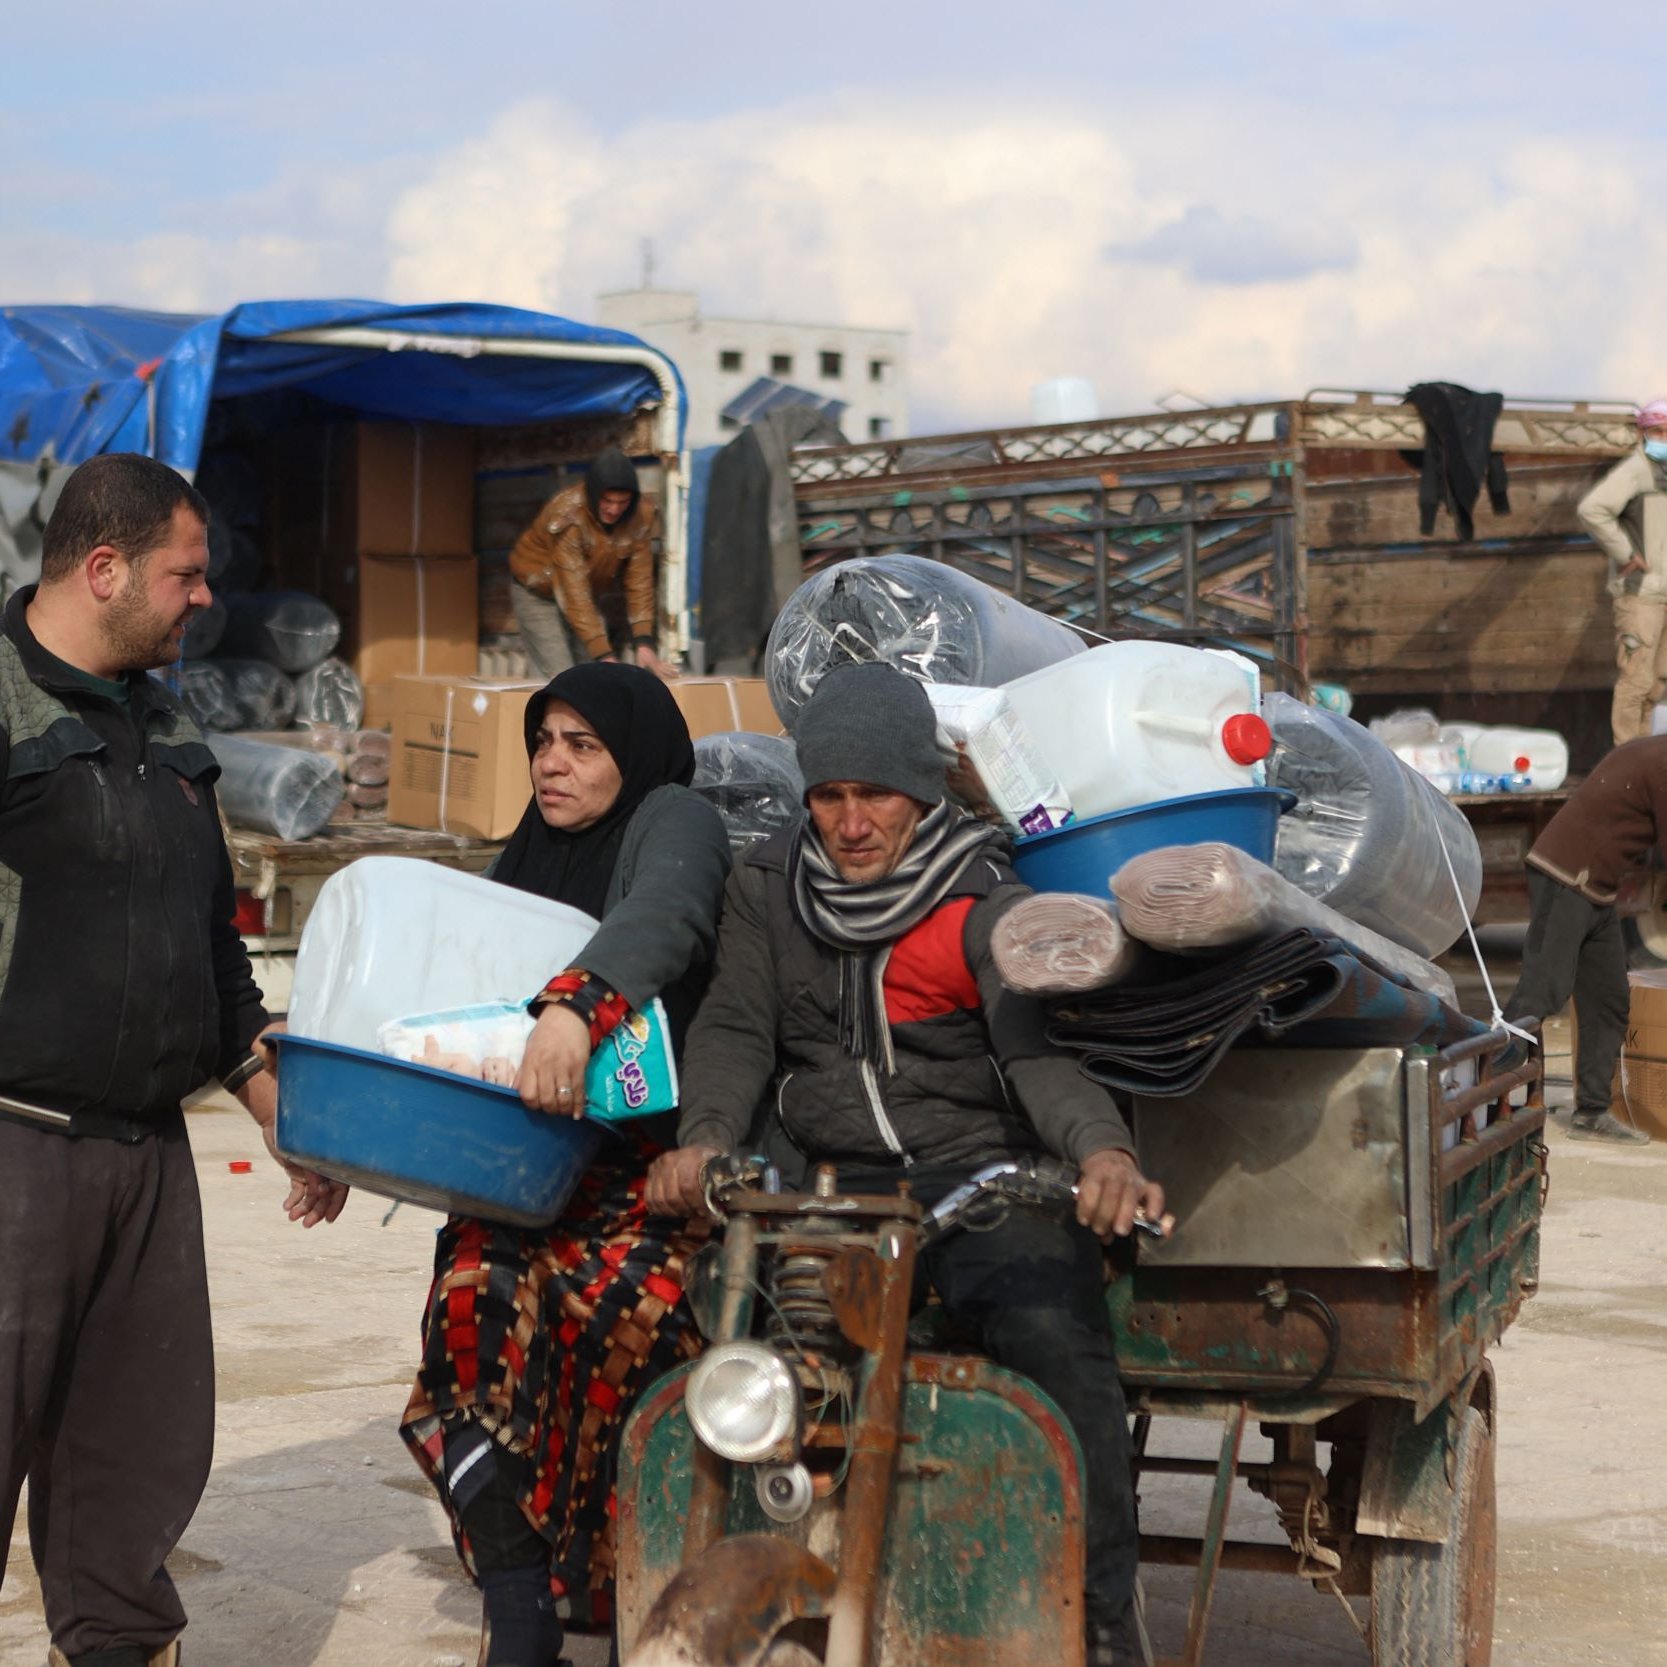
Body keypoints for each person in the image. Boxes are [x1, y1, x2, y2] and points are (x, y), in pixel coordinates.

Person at [645, 661, 1168, 1667]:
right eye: (829, 796)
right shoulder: (767, 886)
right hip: (829, 1183)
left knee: (1058, 1345)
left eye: (873, 794)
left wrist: (1099, 1151)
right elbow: (736, 1027)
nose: (849, 821)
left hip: (974, 1178)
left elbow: (1033, 1053)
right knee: (728, 1332)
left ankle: (1101, 1624)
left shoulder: (979, 895)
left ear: (920, 795)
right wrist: (703, 1140)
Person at [0, 453, 348, 1667]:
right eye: (184, 575)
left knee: (134, 1459)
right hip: (13, 1152)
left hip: (149, 1162)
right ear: (104, 569)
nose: (204, 598)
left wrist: (275, 1099)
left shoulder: (168, 723)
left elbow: (214, 956)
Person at [400, 663, 731, 1667]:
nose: (552, 760)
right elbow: (447, 998)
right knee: (469, 1310)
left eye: (582, 743)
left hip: (645, 1180)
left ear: (629, 756)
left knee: (623, 1334)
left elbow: (662, 916)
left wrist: (574, 1006)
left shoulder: (672, 819)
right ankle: (519, 1610)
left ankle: (630, 1590)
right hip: (516, 1170)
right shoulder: (528, 855)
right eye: (544, 738)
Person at [1500, 736, 1667, 1143]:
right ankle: (1482, 1085)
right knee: (1544, 990)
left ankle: (1591, 1113)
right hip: (1566, 875)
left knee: (1608, 998)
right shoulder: (1664, 762)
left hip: (1595, 887)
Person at [508, 447, 675, 682]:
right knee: (560, 676)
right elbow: (572, 589)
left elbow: (640, 579)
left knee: (593, 675)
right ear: (594, 495)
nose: (614, 509)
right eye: (607, 501)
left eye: (622, 502)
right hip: (537, 591)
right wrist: (604, 654)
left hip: (585, 594)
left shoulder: (641, 515)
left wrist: (644, 642)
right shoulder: (568, 514)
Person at [1579, 399, 1667, 745]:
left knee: (1658, 682)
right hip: (1641, 592)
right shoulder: (1636, 470)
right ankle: (1625, 758)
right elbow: (1592, 509)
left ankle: (1641, 756)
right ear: (1642, 433)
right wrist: (1625, 552)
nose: (1662, 438)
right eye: (1656, 431)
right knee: (1636, 680)